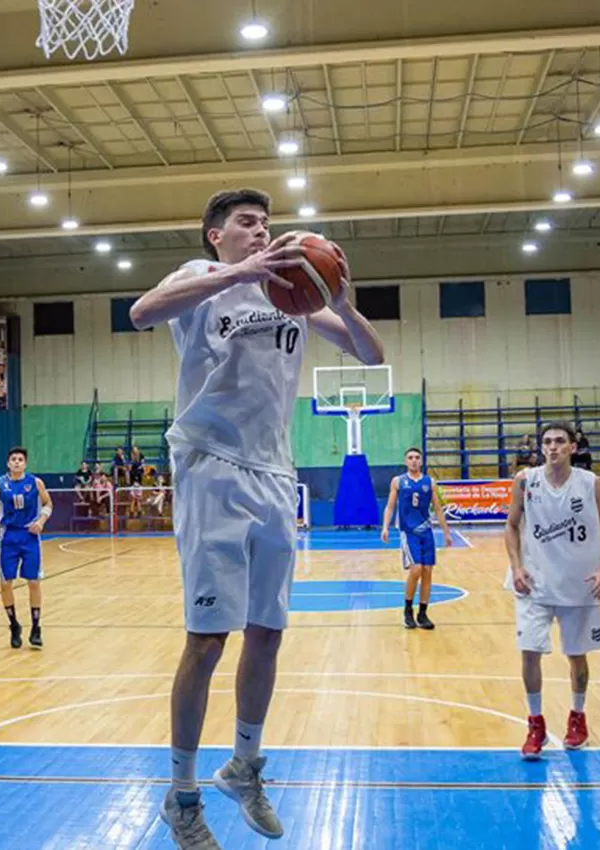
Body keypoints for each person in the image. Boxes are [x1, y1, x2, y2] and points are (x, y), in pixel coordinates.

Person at [128, 188, 385, 848]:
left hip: (274, 472)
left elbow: (371, 355)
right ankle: (182, 796)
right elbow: (139, 312)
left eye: (265, 225)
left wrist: (343, 303)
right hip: (211, 462)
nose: (261, 232)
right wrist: (236, 273)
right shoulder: (202, 278)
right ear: (216, 235)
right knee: (208, 639)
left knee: (267, 632)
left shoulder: (291, 294)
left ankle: (244, 766)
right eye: (246, 224)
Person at [504, 422, 600, 761]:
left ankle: (577, 717)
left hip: (580, 584)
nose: (552, 447)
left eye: (559, 441)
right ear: (542, 448)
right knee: (529, 652)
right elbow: (511, 526)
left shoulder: (590, 484)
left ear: (572, 447)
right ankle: (535, 723)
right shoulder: (526, 481)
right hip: (534, 583)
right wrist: (516, 566)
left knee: (577, 657)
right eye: (547, 442)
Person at [0, 447, 52, 649]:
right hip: (9, 537)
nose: (17, 462)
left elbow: (48, 504)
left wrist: (42, 520)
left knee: (34, 582)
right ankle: (13, 625)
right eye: (13, 459)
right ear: (8, 463)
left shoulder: (35, 483)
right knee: (5, 583)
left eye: (20, 459)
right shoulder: (0, 484)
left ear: (25, 463)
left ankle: (36, 627)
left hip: (30, 536)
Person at [380, 447, 453, 630]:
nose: (414, 460)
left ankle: (422, 613)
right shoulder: (398, 481)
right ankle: (407, 609)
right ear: (406, 461)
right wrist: (385, 527)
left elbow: (437, 509)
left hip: (426, 531)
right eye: (410, 457)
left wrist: (446, 532)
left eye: (417, 457)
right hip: (408, 532)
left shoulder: (430, 482)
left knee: (428, 571)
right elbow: (389, 506)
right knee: (416, 569)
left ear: (421, 461)